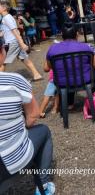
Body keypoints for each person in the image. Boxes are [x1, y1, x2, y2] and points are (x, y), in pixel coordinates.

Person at [0, 38, 55, 194]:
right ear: (2, 53)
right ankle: (43, 185)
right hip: (8, 163)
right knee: (43, 131)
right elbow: (32, 118)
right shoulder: (14, 81)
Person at [45, 23, 95, 110]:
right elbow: (94, 64)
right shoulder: (86, 47)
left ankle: (69, 103)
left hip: (62, 83)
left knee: (66, 72)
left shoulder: (53, 49)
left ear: (62, 35)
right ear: (77, 34)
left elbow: (46, 68)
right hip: (84, 80)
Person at [0, 1, 43, 80]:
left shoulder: (7, 18)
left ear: (4, 8)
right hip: (15, 42)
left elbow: (15, 31)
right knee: (25, 59)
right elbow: (5, 31)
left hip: (13, 42)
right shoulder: (6, 18)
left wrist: (22, 43)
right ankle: (37, 74)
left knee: (3, 63)